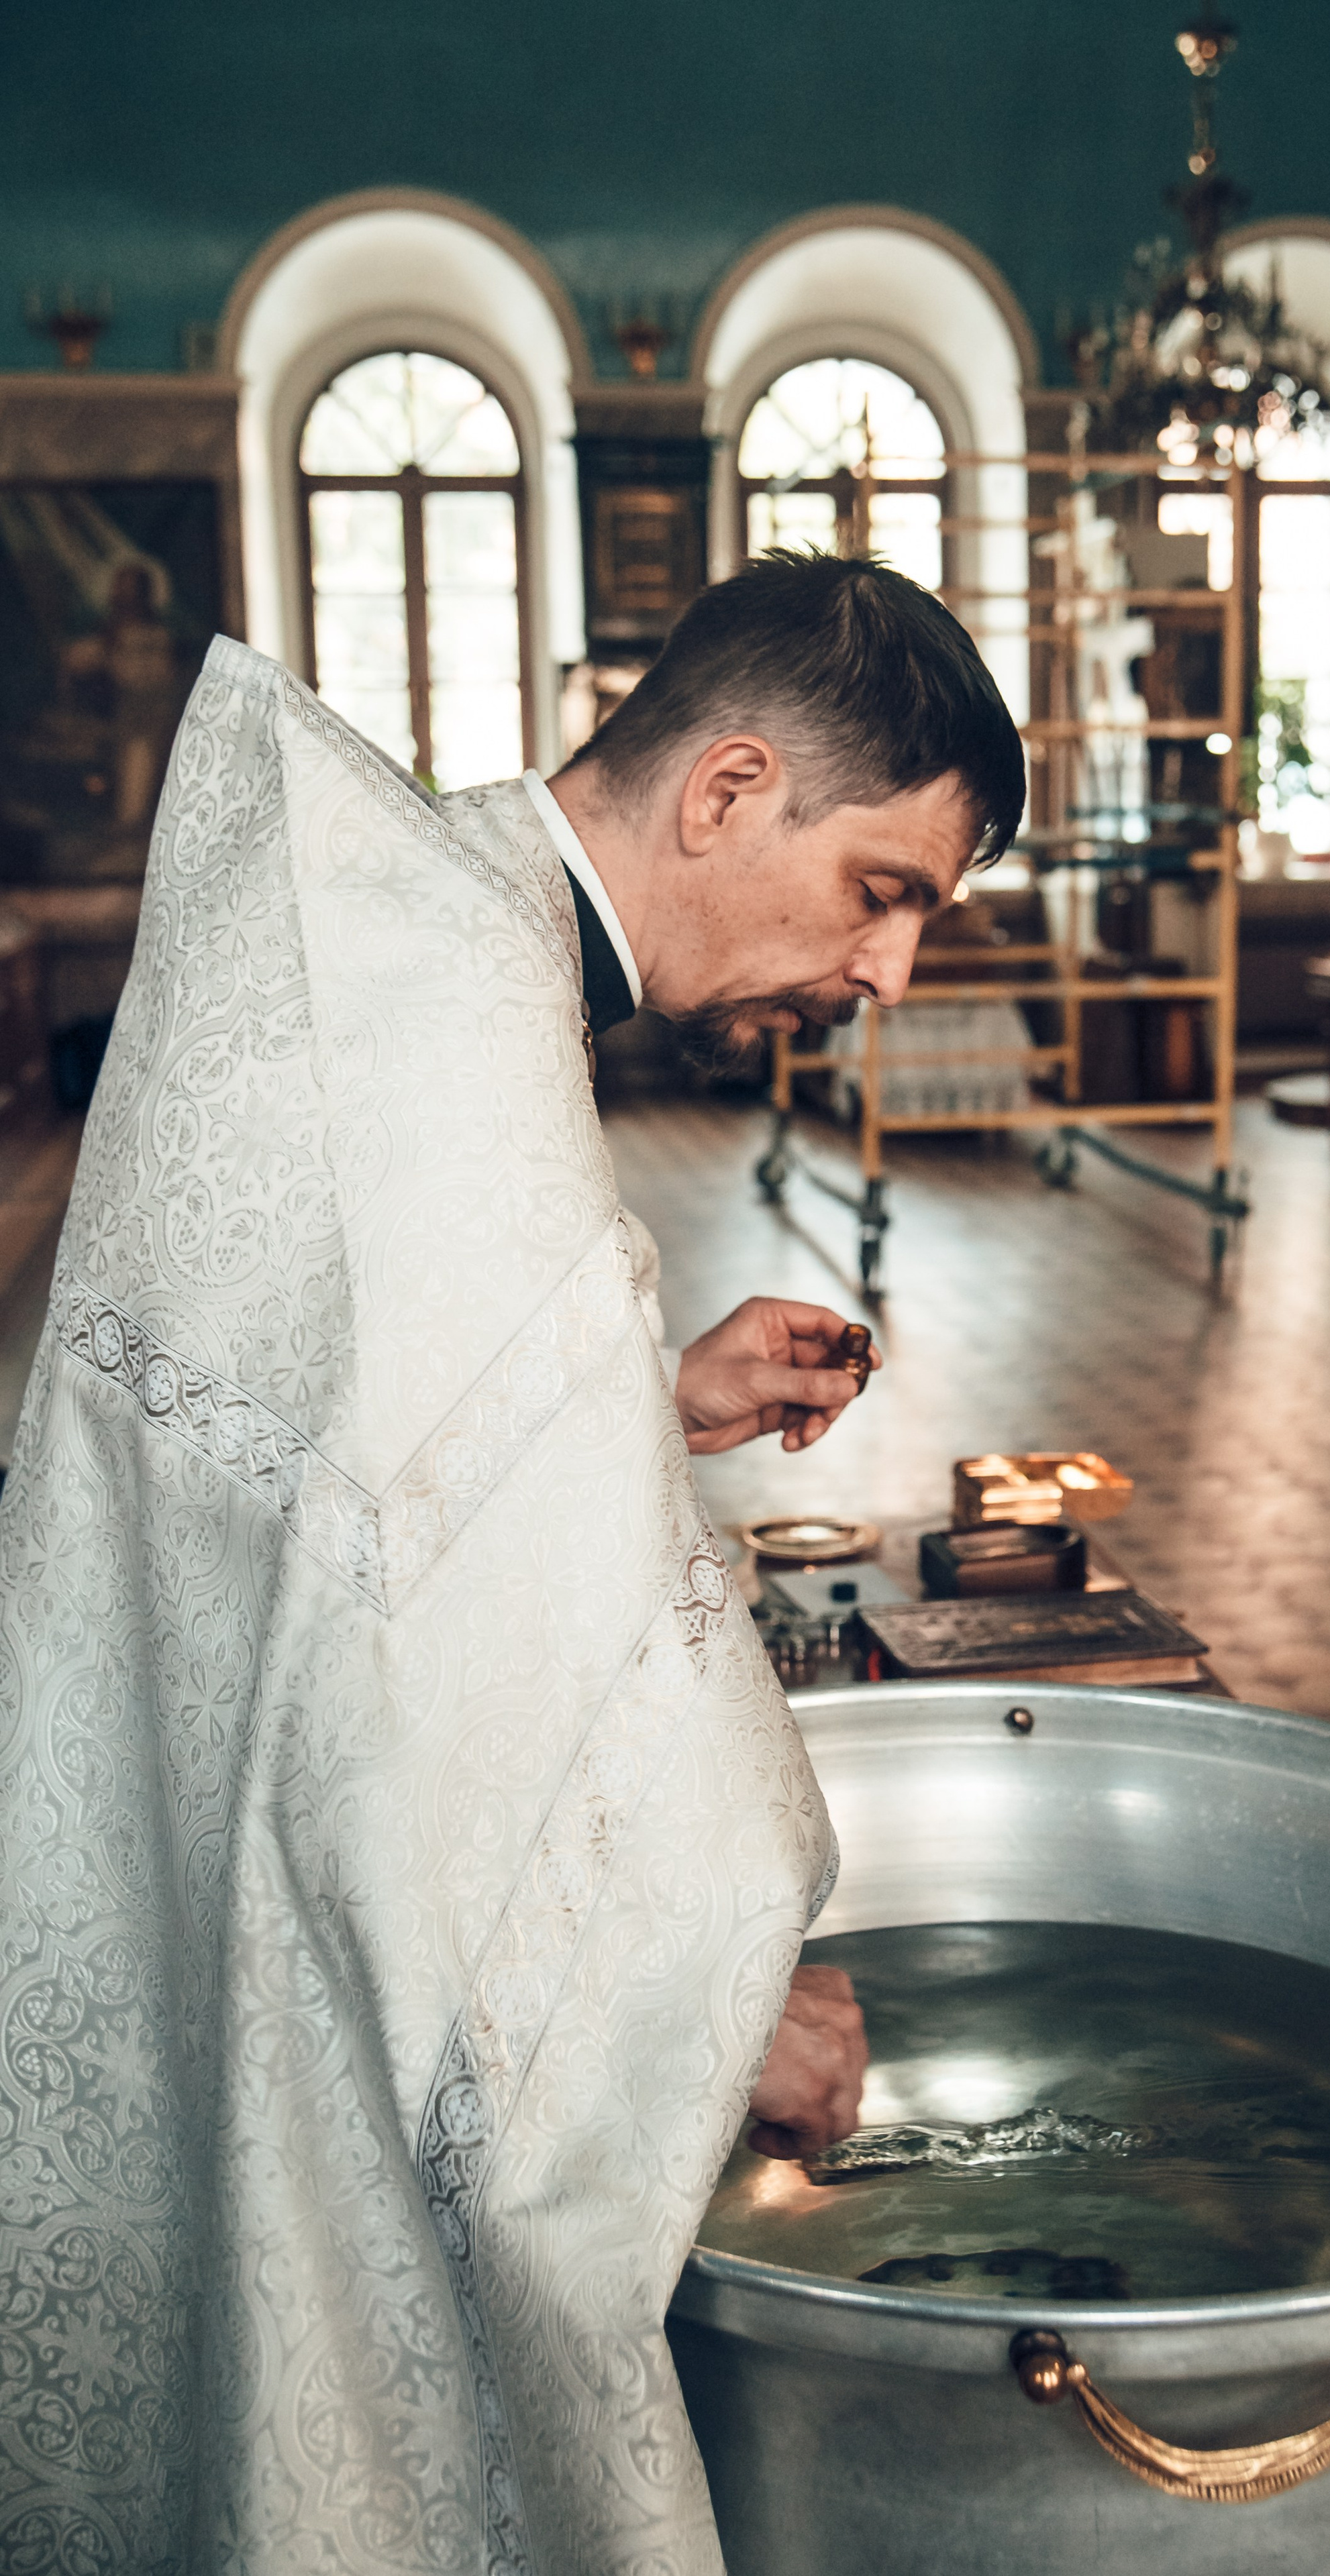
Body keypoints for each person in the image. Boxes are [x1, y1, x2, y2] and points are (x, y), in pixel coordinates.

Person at [0, 550, 1025, 2575]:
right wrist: (706, 2004)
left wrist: (633, 1391)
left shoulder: (411, 922)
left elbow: (327, 1457)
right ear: (728, 789)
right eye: (881, 889)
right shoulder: (461, 1035)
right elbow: (421, 1697)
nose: (889, 971)